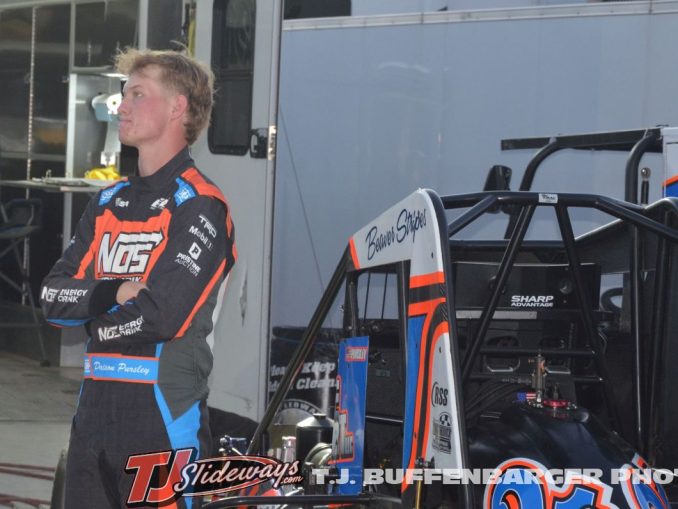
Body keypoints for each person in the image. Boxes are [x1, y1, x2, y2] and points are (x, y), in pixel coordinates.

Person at [40, 48, 236, 508]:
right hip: (92, 417)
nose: (121, 106)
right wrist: (113, 291)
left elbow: (162, 315)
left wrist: (95, 318)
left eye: (137, 95)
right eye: (123, 95)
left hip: (162, 416)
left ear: (177, 107)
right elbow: (51, 296)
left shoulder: (202, 205)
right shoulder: (107, 202)